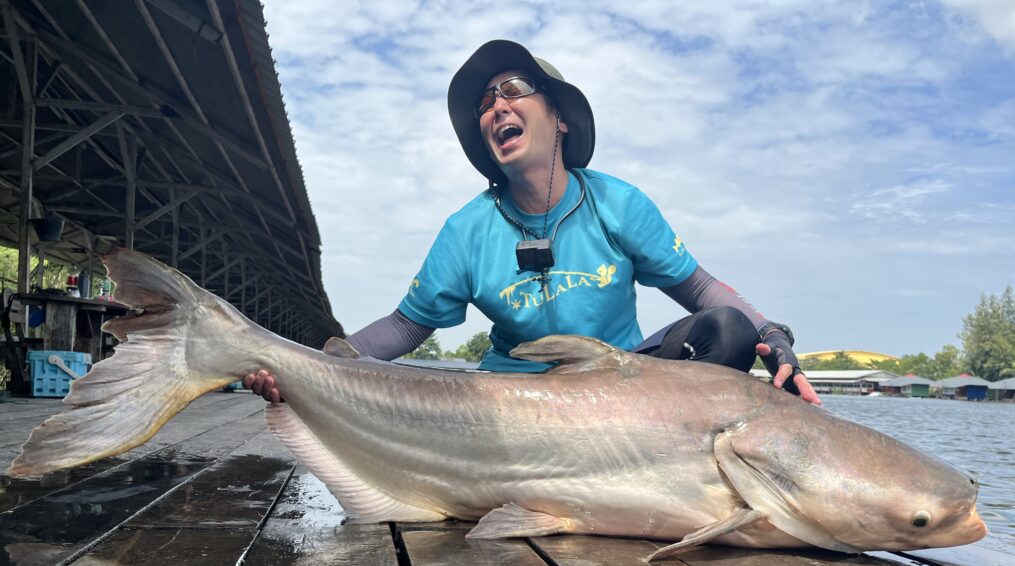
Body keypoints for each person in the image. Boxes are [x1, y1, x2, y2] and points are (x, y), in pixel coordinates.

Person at [246, 40, 819, 406]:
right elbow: (404, 327)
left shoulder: (616, 203)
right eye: (485, 104)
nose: (496, 107)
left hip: (619, 388)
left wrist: (772, 333)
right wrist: (310, 367)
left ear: (561, 118)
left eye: (513, 91)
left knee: (728, 330)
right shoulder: (467, 229)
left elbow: (696, 288)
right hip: (513, 399)